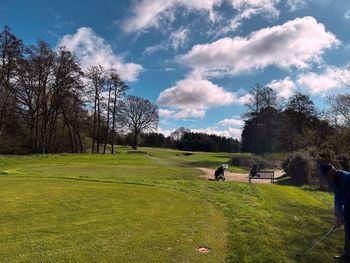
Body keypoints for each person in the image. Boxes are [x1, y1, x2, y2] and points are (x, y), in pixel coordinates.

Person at [320, 163, 350, 260]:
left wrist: (343, 217)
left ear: (331, 170)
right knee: (348, 230)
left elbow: (348, 201)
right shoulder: (333, 180)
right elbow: (337, 198)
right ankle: (347, 255)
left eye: (327, 175)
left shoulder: (346, 178)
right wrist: (338, 216)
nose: (326, 178)